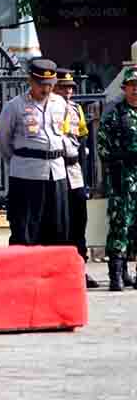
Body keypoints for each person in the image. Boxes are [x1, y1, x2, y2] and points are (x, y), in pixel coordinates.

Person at [0, 58, 71, 247]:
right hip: (26, 175)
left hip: (56, 173)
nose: (45, 89)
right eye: (40, 84)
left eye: (49, 84)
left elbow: (65, 134)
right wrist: (18, 162)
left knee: (57, 229)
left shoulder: (60, 103)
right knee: (26, 230)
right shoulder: (15, 106)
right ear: (30, 81)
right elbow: (3, 141)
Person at [54, 69, 99, 288]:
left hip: (74, 171)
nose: (68, 92)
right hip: (55, 169)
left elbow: (81, 140)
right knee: (59, 224)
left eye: (71, 88)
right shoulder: (50, 108)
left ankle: (80, 269)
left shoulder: (75, 110)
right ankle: (60, 272)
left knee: (79, 222)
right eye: (63, 87)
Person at [97, 67, 137, 291]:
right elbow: (102, 147)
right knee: (119, 226)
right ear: (125, 89)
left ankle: (130, 272)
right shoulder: (115, 114)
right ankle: (116, 274)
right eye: (132, 87)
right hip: (123, 181)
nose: (136, 91)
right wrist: (122, 157)